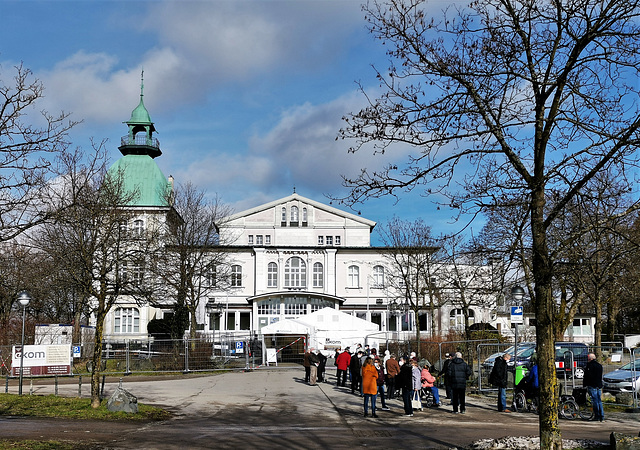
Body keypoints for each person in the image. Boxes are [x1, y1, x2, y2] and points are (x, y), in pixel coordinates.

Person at [583, 352, 604, 422]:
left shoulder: (589, 366)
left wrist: (585, 384)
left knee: (594, 400)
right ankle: (602, 416)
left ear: (590, 359)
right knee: (599, 400)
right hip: (599, 385)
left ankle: (597, 416)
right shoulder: (599, 365)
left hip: (592, 385)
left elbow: (587, 376)